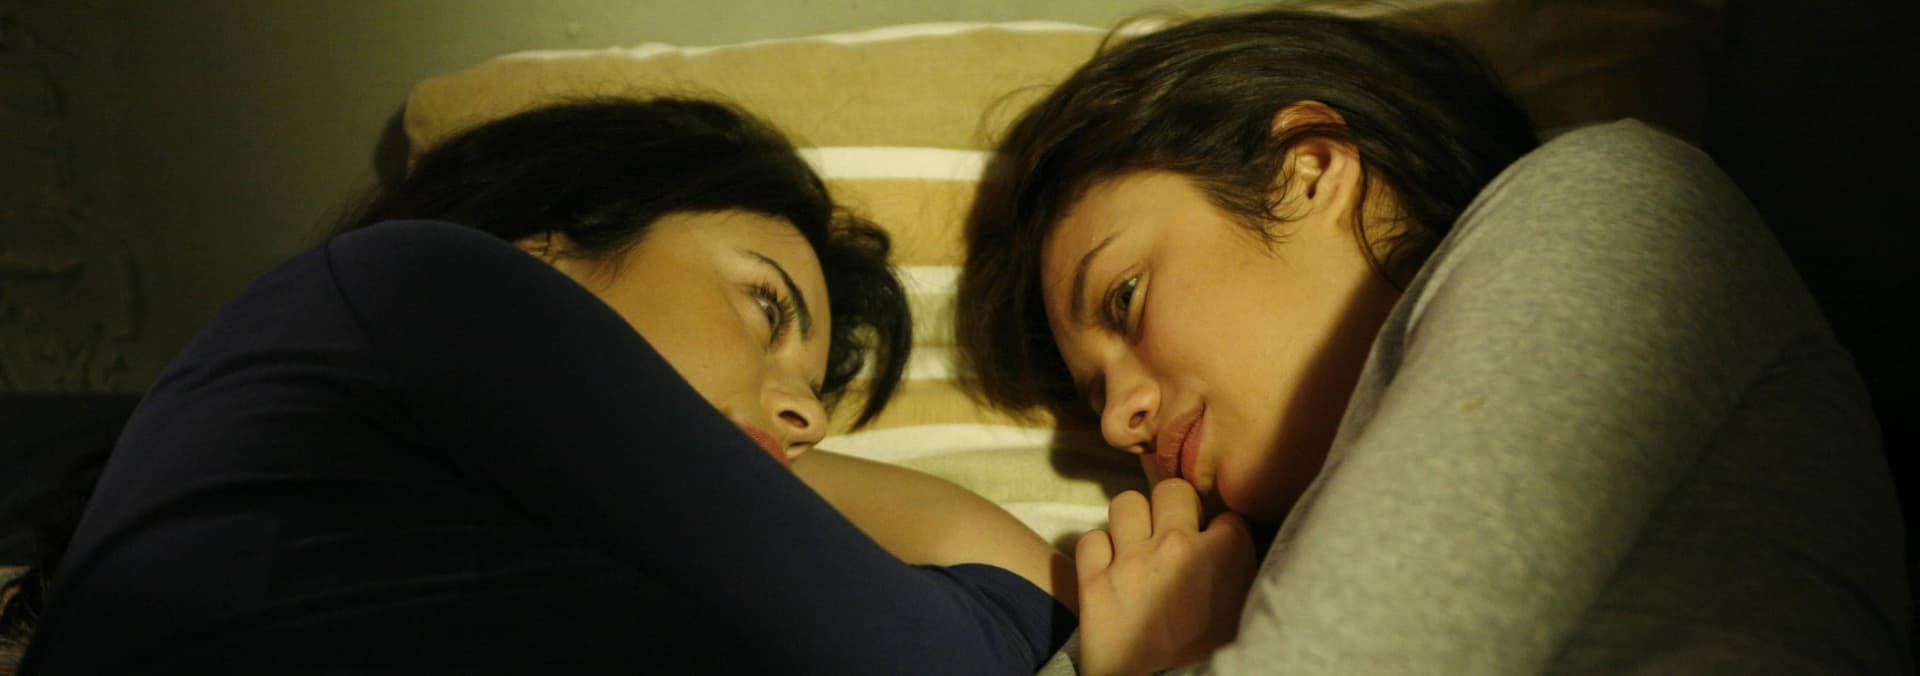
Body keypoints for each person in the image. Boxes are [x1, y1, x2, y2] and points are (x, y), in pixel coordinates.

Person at [956, 9, 1910, 675]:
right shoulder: (1202, 576)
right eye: (1095, 393)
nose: (1117, 422)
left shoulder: (1601, 204)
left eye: (1125, 300)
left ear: (1310, 171)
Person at [22, 98, 1074, 675]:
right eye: (765, 308)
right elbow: (958, 637)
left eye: (811, 392)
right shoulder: (419, 283)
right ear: (548, 249)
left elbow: (1009, 602)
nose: (805, 414)